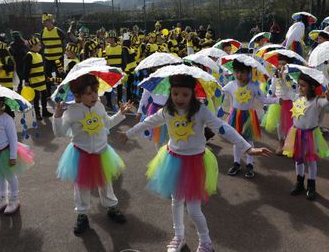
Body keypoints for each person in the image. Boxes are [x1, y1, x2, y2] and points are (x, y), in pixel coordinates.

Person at [119, 74, 272, 252]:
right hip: (172, 160)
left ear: (193, 93)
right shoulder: (167, 111)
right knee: (176, 202)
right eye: (175, 94)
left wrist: (247, 148)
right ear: (170, 93)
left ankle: (206, 242)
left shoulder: (200, 111)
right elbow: (148, 122)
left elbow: (223, 128)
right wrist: (128, 134)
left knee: (193, 208)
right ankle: (179, 237)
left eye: (185, 94)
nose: (179, 98)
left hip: (194, 163)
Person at [52, 74, 133, 234]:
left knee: (105, 183)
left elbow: (108, 123)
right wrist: (57, 116)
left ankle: (111, 207)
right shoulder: (72, 111)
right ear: (77, 95)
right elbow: (60, 133)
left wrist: (120, 114)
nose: (94, 96)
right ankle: (82, 214)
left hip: (102, 152)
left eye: (95, 92)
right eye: (89, 93)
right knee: (81, 186)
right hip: (81, 155)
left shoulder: (99, 106)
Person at [283, 71, 329, 201]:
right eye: (299, 85)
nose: (299, 87)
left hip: (310, 134)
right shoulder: (297, 97)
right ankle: (299, 183)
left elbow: (327, 104)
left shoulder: (317, 101)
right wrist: (280, 79)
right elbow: (286, 92)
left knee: (311, 161)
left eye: (303, 85)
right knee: (298, 159)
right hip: (296, 133)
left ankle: (311, 186)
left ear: (311, 87)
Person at [224, 59, 279, 178]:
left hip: (248, 117)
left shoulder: (253, 86)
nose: (239, 75)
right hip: (235, 115)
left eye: (242, 72)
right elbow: (220, 91)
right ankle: (236, 163)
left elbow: (264, 100)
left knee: (248, 140)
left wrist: (278, 100)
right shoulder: (231, 85)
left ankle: (249, 165)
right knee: (236, 139)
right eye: (237, 72)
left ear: (249, 72)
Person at [261, 55, 296, 155]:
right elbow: (271, 89)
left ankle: (290, 145)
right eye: (279, 64)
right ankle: (281, 143)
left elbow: (294, 89)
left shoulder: (292, 77)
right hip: (278, 103)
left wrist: (286, 79)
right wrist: (266, 102)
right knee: (279, 124)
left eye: (284, 64)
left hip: (290, 103)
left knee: (291, 125)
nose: (281, 66)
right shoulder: (275, 76)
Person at [23, 37, 53, 120]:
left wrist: (46, 76)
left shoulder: (39, 55)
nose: (40, 47)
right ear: (34, 45)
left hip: (42, 80)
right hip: (34, 80)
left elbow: (42, 68)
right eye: (39, 45)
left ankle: (44, 111)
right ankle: (37, 113)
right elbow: (26, 70)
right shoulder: (29, 55)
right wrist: (26, 80)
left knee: (44, 95)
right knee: (36, 98)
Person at [40, 13, 67, 95]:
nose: (46, 23)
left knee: (60, 75)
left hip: (58, 58)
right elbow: (42, 44)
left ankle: (61, 92)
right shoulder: (42, 32)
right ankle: (48, 92)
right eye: (44, 22)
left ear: (51, 21)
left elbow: (64, 41)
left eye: (47, 21)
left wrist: (63, 51)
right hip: (48, 58)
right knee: (47, 76)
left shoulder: (58, 31)